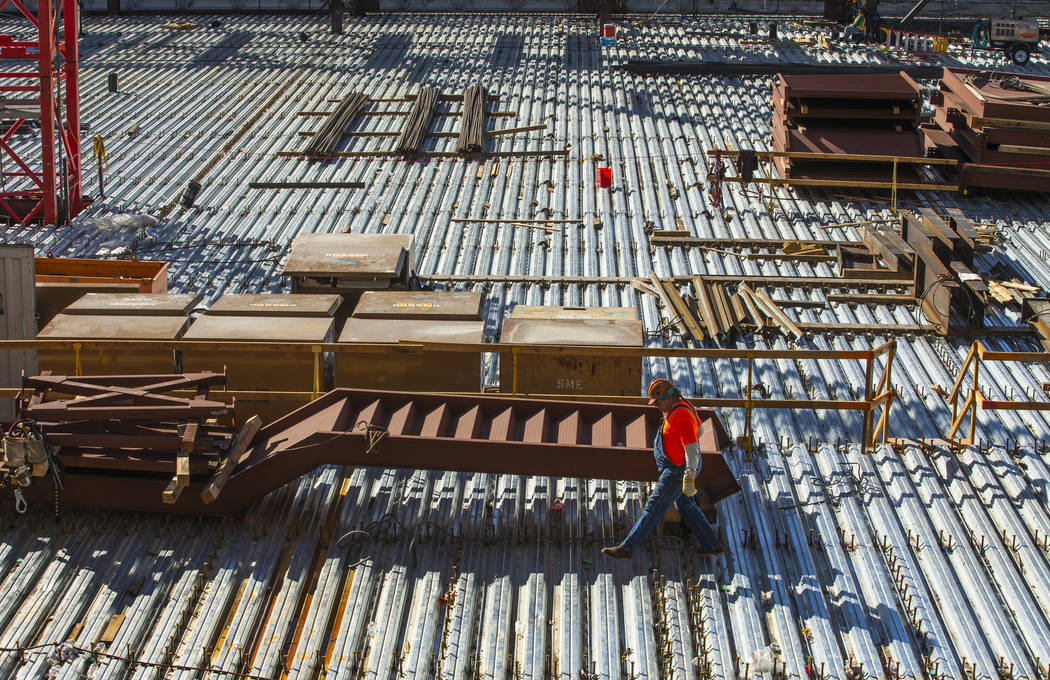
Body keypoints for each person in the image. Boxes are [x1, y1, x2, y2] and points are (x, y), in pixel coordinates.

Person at [601, 378, 723, 560]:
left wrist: (688, 477)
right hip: (680, 467)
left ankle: (627, 548)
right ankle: (712, 545)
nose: (657, 406)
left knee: (653, 508)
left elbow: (692, 449)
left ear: (668, 397)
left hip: (678, 471)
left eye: (658, 402)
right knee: (686, 506)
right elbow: (700, 431)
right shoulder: (681, 406)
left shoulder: (681, 415)